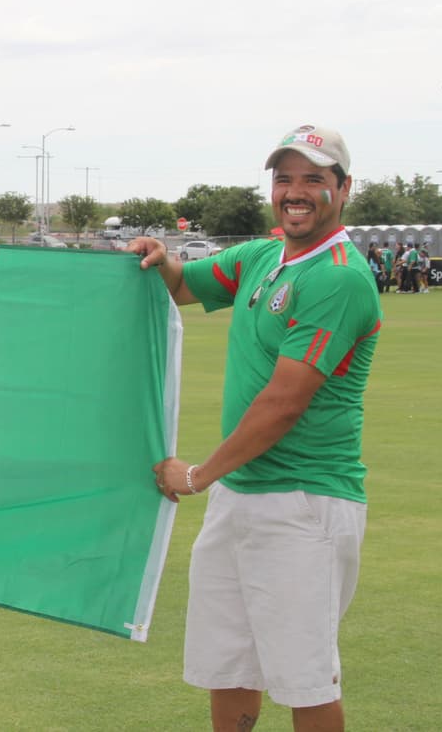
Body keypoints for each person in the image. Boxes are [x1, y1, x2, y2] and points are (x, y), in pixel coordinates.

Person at [128, 124, 382, 732]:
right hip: (240, 496)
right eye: (285, 179)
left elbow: (283, 404)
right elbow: (185, 286)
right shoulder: (263, 255)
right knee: (229, 667)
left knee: (304, 678)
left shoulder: (339, 277)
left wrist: (197, 475)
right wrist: (161, 260)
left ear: (343, 190)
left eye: (313, 180)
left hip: (304, 504)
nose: (295, 192)